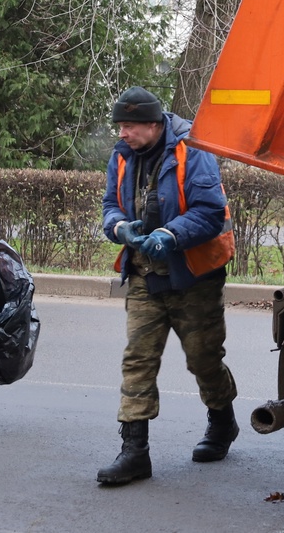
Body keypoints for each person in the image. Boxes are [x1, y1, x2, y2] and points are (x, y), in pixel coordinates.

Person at [97, 86, 238, 486]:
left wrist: (170, 235)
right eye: (119, 126)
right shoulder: (121, 156)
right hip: (144, 275)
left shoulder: (193, 151)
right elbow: (110, 205)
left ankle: (222, 421)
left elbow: (210, 213)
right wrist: (120, 227)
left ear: (153, 124)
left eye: (128, 126)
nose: (122, 133)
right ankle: (134, 453)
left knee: (203, 359)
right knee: (137, 360)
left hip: (194, 277)